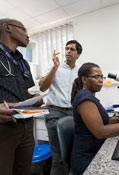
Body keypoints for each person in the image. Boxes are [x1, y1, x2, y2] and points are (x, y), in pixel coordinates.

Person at [0, 18, 43, 175]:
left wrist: (35, 99)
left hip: (26, 128)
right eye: (24, 29)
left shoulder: (22, 61)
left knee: (23, 171)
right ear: (7, 28)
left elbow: (23, 93)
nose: (27, 35)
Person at [39, 40, 82, 175]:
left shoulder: (80, 72)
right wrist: (55, 67)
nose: (68, 51)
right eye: (67, 48)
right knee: (58, 156)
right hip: (54, 112)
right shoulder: (54, 65)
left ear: (78, 54)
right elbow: (42, 87)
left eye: (72, 49)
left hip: (73, 113)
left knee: (72, 152)